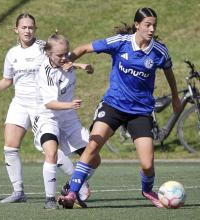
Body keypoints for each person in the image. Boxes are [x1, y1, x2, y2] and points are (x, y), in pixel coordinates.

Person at [58, 7, 181, 209]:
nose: (151, 29)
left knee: (148, 164)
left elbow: (169, 72)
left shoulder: (159, 51)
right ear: (137, 25)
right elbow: (84, 48)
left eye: (154, 25)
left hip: (140, 111)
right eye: (147, 25)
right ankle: (72, 193)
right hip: (113, 105)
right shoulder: (121, 43)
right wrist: (69, 59)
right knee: (92, 146)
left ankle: (147, 190)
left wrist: (176, 97)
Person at [0, 13, 91, 204]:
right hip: (20, 102)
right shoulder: (12, 54)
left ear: (35, 29)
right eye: (23, 27)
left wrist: (80, 65)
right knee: (10, 145)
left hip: (41, 103)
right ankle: (18, 191)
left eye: (31, 27)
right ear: (16, 29)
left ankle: (78, 182)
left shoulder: (44, 48)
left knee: (49, 149)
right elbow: (8, 80)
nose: (27, 30)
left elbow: (64, 60)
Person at [32, 33, 100, 209]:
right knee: (51, 152)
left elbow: (72, 58)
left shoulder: (65, 60)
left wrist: (84, 66)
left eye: (66, 53)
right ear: (48, 53)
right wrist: (70, 104)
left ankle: (70, 188)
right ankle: (49, 199)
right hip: (48, 116)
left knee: (94, 158)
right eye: (59, 55)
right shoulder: (46, 72)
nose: (64, 58)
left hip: (68, 117)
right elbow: (49, 103)